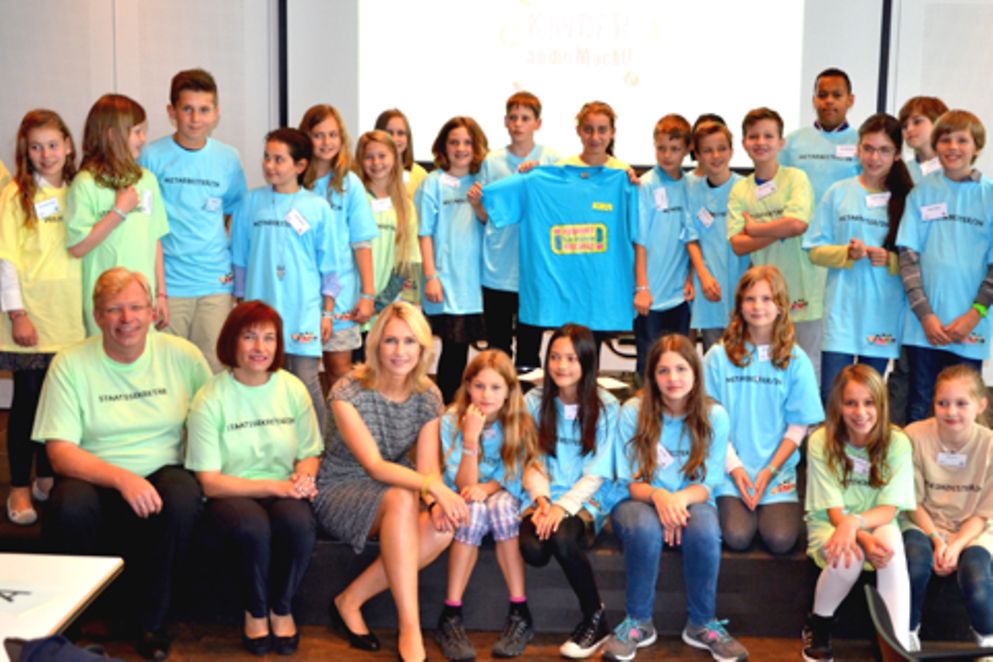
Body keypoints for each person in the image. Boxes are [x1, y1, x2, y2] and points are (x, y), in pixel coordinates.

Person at [33, 267, 210, 660]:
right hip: (95, 470)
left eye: (135, 308)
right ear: (97, 316)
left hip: (164, 468)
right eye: (114, 310)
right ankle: (76, 619)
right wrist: (123, 479)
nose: (126, 319)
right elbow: (60, 453)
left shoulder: (183, 356)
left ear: (152, 312)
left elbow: (211, 421)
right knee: (69, 506)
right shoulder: (70, 363)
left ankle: (152, 622)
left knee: (182, 498)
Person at [312, 302, 468, 662]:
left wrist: (434, 502)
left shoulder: (428, 395)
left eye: (410, 342)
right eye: (391, 341)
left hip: (399, 485)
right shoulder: (348, 390)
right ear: (376, 344)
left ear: (423, 348)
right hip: (342, 485)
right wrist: (435, 490)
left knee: (443, 527)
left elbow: (428, 466)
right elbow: (374, 465)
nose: (400, 352)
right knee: (401, 499)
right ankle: (409, 628)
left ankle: (350, 599)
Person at [185, 301, 321, 656]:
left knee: (299, 524)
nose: (260, 348)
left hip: (283, 487)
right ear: (232, 341)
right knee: (252, 527)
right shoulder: (209, 398)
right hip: (231, 492)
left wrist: (304, 479)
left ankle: (282, 607)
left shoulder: (292, 388)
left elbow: (309, 452)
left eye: (268, 338)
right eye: (249, 337)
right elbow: (210, 481)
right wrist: (277, 486)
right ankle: (256, 610)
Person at [604, 335, 747, 662]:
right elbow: (633, 482)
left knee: (705, 529)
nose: (673, 379)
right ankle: (638, 623)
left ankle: (702, 624)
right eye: (663, 371)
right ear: (651, 376)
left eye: (681, 369)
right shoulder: (634, 411)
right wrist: (660, 498)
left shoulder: (715, 416)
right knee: (644, 526)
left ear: (696, 373)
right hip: (640, 499)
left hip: (691, 499)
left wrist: (676, 501)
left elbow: (708, 484)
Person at [704, 265, 824, 555]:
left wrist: (769, 471)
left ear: (781, 306)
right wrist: (735, 468)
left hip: (776, 471)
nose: (758, 306)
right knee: (737, 536)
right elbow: (708, 422)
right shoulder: (718, 357)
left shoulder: (796, 359)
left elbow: (799, 425)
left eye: (767, 299)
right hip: (730, 469)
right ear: (739, 305)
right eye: (750, 299)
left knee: (781, 539)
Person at [0, 109, 82, 525]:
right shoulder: (16, 195)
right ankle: (18, 487)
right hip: (32, 320)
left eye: (53, 144)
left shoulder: (82, 190)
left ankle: (47, 477)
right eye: (36, 146)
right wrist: (17, 313)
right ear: (25, 152)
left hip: (73, 320)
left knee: (61, 407)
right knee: (28, 405)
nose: (46, 153)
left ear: (68, 146)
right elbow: (6, 259)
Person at [802, 364, 914, 661]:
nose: (860, 412)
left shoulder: (898, 441)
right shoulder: (820, 441)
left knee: (890, 540)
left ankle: (897, 644)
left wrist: (857, 523)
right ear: (838, 405)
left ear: (881, 405)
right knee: (848, 554)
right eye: (851, 403)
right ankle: (819, 626)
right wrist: (856, 531)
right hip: (831, 522)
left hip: (877, 521)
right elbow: (834, 511)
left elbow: (889, 509)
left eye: (869, 403)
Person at [520, 323, 619, 659]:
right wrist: (544, 501)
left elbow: (599, 471)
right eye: (555, 357)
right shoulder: (533, 400)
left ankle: (596, 617)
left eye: (572, 359)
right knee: (533, 551)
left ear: (588, 362)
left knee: (562, 538)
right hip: (545, 496)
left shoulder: (606, 406)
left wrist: (563, 507)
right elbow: (530, 459)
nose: (562, 366)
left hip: (586, 497)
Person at [230, 128, 339, 432]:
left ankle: (319, 449)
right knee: (263, 381)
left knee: (305, 382)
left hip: (302, 310)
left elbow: (329, 266)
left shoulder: (317, 208)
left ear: (300, 166)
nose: (270, 166)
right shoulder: (250, 203)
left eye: (279, 159)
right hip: (259, 310)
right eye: (267, 158)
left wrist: (327, 312)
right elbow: (239, 257)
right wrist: (240, 305)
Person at [139, 68, 247, 373]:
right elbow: (145, 222)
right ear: (172, 112)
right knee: (167, 369)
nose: (195, 119)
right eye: (187, 109)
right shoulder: (151, 156)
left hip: (215, 282)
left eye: (204, 110)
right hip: (169, 284)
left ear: (216, 113)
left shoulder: (228, 158)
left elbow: (233, 213)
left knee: (212, 367)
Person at [435, 350, 540, 660]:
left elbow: (515, 473)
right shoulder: (452, 419)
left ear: (509, 390)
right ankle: (450, 614)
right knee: (474, 511)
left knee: (502, 507)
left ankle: (520, 610)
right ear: (468, 386)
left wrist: (488, 487)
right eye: (479, 386)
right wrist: (470, 440)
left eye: (496, 387)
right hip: (466, 493)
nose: (486, 395)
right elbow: (464, 486)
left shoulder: (518, 420)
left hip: (502, 490)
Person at [804, 113, 913, 403]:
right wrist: (845, 253)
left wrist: (889, 260)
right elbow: (814, 249)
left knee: (868, 401)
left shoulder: (907, 199)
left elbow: (919, 261)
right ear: (858, 148)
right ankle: (829, 450)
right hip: (842, 311)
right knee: (833, 397)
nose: (874, 157)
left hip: (882, 313)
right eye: (868, 148)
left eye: (884, 150)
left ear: (898, 155)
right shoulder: (838, 193)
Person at [896, 110, 993, 423]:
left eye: (962, 140)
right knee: (922, 401)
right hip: (924, 326)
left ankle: (960, 474)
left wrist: (972, 316)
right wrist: (926, 316)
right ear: (936, 145)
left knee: (963, 406)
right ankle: (916, 474)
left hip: (971, 327)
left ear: (977, 147)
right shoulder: (922, 193)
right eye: (946, 139)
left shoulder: (989, 195)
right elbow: (908, 259)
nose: (953, 147)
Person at [727, 107, 823, 383]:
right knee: (767, 368)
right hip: (763, 298)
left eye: (768, 136)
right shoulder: (740, 190)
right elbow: (738, 244)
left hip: (804, 290)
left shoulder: (796, 178)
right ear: (744, 143)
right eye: (753, 136)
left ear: (781, 142)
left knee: (806, 367)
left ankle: (806, 427)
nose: (761, 142)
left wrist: (756, 229)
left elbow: (798, 225)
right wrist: (777, 229)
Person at [902, 365, 993, 652]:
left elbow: (984, 513)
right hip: (922, 521)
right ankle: (908, 631)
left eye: (961, 403)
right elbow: (911, 501)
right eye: (943, 403)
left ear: (981, 405)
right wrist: (937, 539)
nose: (951, 411)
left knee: (977, 577)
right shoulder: (914, 436)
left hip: (972, 529)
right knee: (915, 563)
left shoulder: (989, 445)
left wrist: (956, 545)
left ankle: (987, 642)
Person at [467, 91, 559, 371]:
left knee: (530, 348)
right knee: (498, 348)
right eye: (513, 118)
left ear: (538, 123)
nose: (518, 124)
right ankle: (500, 407)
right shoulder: (492, 162)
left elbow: (558, 211)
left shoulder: (551, 160)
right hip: (498, 267)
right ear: (505, 121)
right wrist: (475, 205)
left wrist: (538, 177)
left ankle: (529, 409)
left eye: (525, 118)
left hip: (534, 267)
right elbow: (486, 217)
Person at [66, 94, 168, 336]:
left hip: (143, 303)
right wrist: (119, 211)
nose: (143, 140)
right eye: (137, 132)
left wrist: (161, 294)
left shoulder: (147, 180)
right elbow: (77, 247)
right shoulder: (85, 183)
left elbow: (155, 240)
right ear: (112, 135)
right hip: (105, 307)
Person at [299, 105, 378, 386]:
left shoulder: (349, 183)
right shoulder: (294, 182)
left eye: (333, 135)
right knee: (299, 369)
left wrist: (368, 295)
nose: (326, 142)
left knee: (340, 368)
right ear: (305, 138)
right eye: (318, 135)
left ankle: (341, 430)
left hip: (342, 290)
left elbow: (362, 243)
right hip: (301, 292)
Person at [417, 116, 488, 402]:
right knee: (451, 350)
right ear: (443, 147)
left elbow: (489, 223)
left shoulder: (483, 182)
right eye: (454, 142)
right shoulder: (431, 184)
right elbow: (424, 234)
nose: (461, 148)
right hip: (445, 282)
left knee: (472, 353)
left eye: (467, 142)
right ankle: (444, 411)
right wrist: (431, 277)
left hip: (477, 283)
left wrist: (479, 206)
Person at [634, 114, 693, 375]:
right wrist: (642, 287)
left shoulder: (692, 186)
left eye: (674, 149)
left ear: (687, 150)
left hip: (680, 296)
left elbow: (693, 238)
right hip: (650, 297)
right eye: (661, 148)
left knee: (677, 364)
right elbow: (640, 242)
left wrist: (691, 276)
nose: (667, 155)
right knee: (649, 365)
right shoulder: (645, 185)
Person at [684, 120, 747, 352]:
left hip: (742, 287)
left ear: (731, 151)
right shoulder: (692, 189)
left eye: (721, 148)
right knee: (714, 356)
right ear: (697, 154)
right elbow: (690, 237)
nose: (715, 156)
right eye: (707, 150)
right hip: (710, 289)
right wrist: (703, 275)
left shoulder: (746, 187)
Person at [352, 130, 419, 330]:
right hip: (353, 305)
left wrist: (378, 303)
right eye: (369, 157)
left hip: (383, 311)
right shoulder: (356, 199)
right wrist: (363, 298)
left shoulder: (405, 207)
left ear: (395, 158)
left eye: (382, 156)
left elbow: (406, 262)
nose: (376, 162)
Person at [780, 68, 861, 206]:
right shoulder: (791, 142)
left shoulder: (862, 143)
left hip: (843, 225)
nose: (829, 101)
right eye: (822, 95)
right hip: (800, 226)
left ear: (850, 100)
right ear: (814, 100)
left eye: (837, 95)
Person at [375, 108, 428, 198]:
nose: (395, 139)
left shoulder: (420, 175)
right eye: (389, 133)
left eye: (400, 133)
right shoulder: (369, 171)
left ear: (408, 138)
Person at [898, 96, 949, 183]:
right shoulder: (902, 173)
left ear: (938, 123)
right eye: (904, 126)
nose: (909, 129)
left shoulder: (957, 169)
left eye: (917, 122)